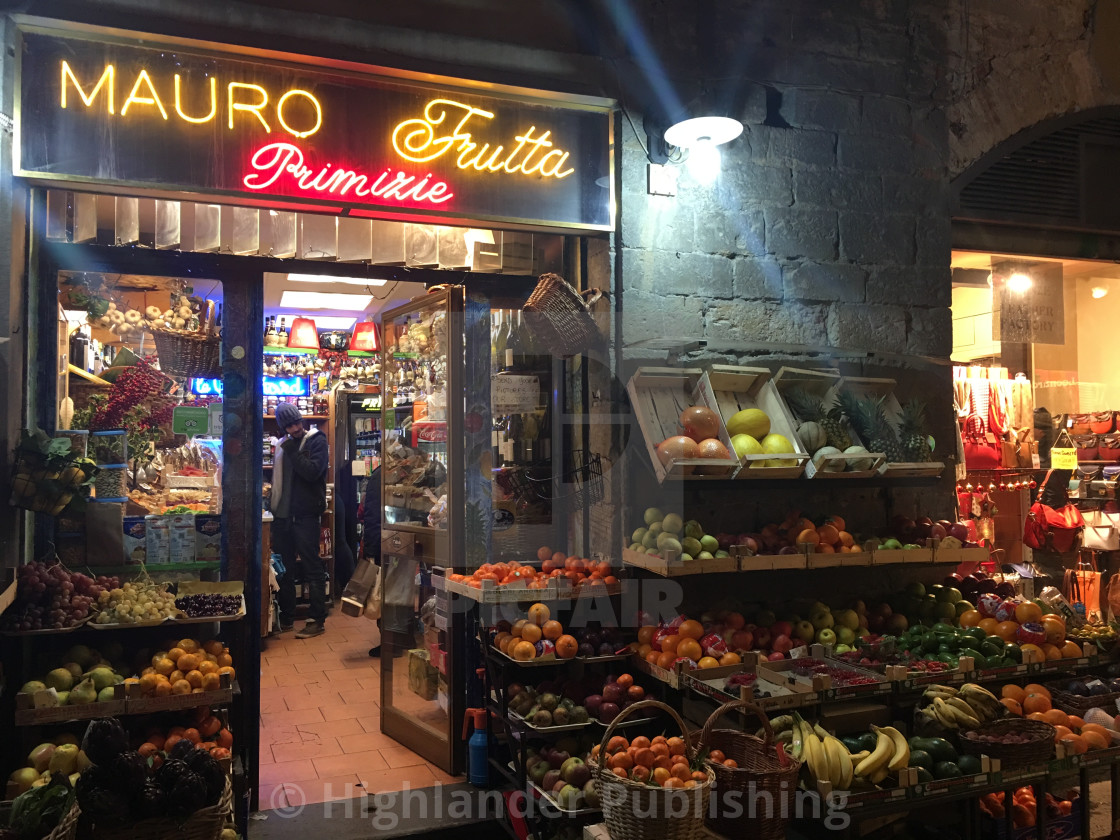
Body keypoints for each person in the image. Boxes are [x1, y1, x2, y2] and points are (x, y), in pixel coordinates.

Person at [270, 402, 330, 639]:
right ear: (283, 427)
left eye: (296, 422)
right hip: (283, 516)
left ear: (302, 420)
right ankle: (286, 617)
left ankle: (317, 619)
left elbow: (312, 472)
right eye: (289, 425)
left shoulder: (317, 441)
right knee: (284, 568)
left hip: (305, 515)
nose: (294, 428)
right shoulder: (283, 446)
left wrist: (293, 450)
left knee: (311, 565)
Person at [360, 464, 383, 657]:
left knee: (384, 593)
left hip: (382, 543)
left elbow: (372, 515)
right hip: (390, 541)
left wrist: (370, 548)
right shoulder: (386, 475)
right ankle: (399, 638)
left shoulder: (378, 476)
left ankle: (389, 640)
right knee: (395, 593)